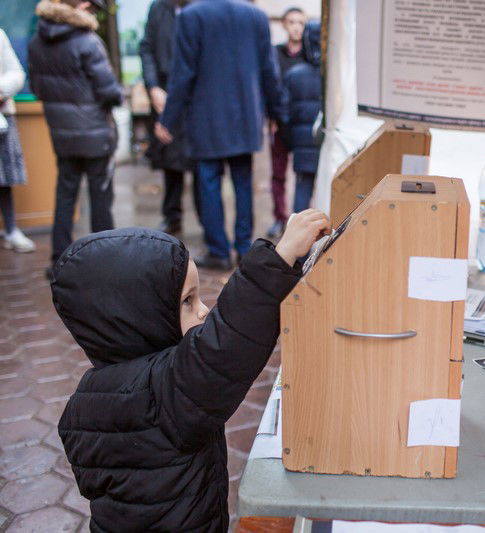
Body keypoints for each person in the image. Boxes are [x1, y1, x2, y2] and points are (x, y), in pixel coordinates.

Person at [54, 209, 331, 532]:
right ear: (135, 316)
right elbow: (224, 348)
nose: (203, 311)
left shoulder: (83, 407)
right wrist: (279, 259)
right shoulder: (162, 395)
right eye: (187, 301)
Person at [156, 0, 283, 270]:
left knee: (209, 184)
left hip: (206, 117)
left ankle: (218, 251)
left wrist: (168, 118)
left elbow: (182, 74)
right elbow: (269, 71)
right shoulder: (256, 16)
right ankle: (243, 247)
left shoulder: (192, 16)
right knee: (242, 183)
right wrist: (276, 111)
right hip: (245, 117)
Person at [27, 0, 122, 277]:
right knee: (101, 197)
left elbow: (36, 87)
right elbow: (109, 91)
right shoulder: (87, 41)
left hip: (62, 133)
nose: (93, 13)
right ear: (81, 6)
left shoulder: (37, 41)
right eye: (91, 8)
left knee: (65, 194)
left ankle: (58, 260)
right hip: (95, 133)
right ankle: (107, 261)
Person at [139, 0, 199, 235]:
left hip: (194, 98)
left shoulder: (201, 7)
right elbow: (147, 48)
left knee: (200, 165)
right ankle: (172, 216)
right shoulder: (158, 7)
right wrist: (153, 86)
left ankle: (208, 221)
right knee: (170, 161)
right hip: (164, 93)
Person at [267, 6, 307, 239]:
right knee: (278, 174)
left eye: (300, 22)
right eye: (291, 22)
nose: (296, 27)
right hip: (280, 123)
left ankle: (298, 219)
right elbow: (270, 88)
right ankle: (279, 217)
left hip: (303, 125)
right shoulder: (275, 54)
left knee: (302, 174)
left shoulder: (309, 57)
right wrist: (271, 117)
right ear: (284, 24)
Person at [0, 28, 35, 253]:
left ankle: (11, 230)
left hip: (1, 116)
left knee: (4, 178)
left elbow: (16, 73)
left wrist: (1, 89)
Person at [282, 20, 322, 214]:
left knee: (302, 192)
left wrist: (291, 142)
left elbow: (285, 114)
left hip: (302, 144)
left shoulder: (294, 75)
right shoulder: (339, 76)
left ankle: (299, 239)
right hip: (330, 144)